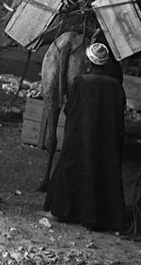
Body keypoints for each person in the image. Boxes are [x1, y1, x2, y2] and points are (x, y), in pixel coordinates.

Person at [45, 43, 127, 231]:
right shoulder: (115, 85)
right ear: (106, 65)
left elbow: (69, 109)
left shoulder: (80, 82)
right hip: (105, 142)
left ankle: (66, 211)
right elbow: (119, 114)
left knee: (71, 167)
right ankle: (99, 216)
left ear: (88, 63)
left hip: (79, 137)